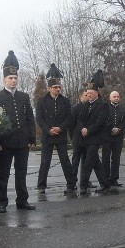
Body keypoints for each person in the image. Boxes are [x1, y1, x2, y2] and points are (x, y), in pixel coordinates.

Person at [0, 51, 37, 212]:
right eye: (10, 78)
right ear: (5, 79)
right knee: (3, 174)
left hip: (21, 141)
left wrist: (32, 137)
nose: (13, 80)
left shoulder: (24, 96)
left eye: (15, 78)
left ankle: (22, 201)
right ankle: (2, 202)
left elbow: (30, 118)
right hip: (4, 142)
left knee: (21, 173)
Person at [35, 64, 76, 195]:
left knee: (65, 160)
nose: (58, 89)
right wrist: (48, 130)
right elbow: (39, 118)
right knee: (45, 162)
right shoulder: (41, 101)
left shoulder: (65, 101)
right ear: (49, 88)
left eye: (59, 87)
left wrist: (60, 128)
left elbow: (69, 118)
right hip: (48, 135)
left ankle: (71, 184)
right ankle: (41, 185)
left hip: (60, 135)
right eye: (55, 87)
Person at [74, 71, 111, 194]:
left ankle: (83, 185)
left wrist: (88, 130)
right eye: (87, 93)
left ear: (96, 93)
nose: (89, 95)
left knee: (89, 161)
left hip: (95, 138)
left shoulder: (103, 105)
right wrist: (82, 128)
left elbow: (100, 122)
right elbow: (79, 119)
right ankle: (105, 183)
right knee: (95, 161)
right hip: (84, 137)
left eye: (91, 93)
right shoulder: (85, 105)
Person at [102, 90, 125, 187]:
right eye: (114, 97)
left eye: (117, 96)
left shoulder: (123, 108)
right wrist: (111, 128)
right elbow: (103, 120)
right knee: (106, 158)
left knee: (116, 158)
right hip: (107, 136)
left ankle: (114, 178)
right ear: (110, 98)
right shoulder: (105, 107)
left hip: (118, 137)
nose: (116, 98)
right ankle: (105, 178)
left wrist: (119, 129)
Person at [69, 90, 90, 187]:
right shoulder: (75, 108)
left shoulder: (90, 108)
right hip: (77, 138)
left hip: (87, 138)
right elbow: (71, 124)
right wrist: (72, 137)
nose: (88, 96)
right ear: (81, 97)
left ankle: (85, 181)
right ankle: (72, 181)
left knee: (86, 162)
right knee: (75, 161)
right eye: (86, 95)